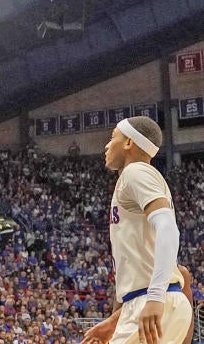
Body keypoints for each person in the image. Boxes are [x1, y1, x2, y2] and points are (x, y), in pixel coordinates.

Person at [82, 116, 192, 344]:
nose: (107, 145)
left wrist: (155, 295)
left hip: (152, 299)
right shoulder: (136, 178)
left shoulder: (136, 172)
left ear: (129, 143)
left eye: (113, 137)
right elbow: (140, 269)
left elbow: (168, 228)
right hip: (146, 300)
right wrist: (114, 321)